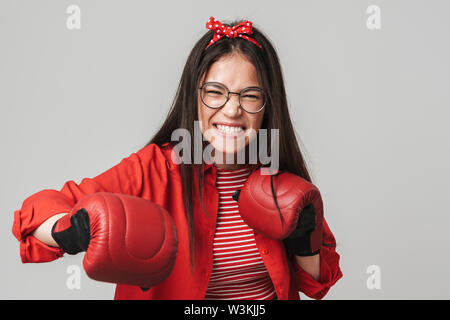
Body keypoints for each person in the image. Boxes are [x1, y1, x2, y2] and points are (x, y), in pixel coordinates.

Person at [12, 16, 342, 300]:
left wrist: (304, 242)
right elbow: (33, 214)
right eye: (215, 92)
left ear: (268, 106)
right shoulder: (153, 169)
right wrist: (70, 231)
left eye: (250, 95)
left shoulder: (280, 178)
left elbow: (317, 284)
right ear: (193, 96)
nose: (231, 109)